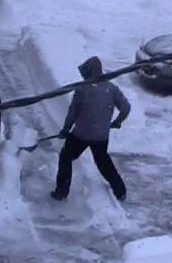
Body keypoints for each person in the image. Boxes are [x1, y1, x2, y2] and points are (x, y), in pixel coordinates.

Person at [52, 56, 131, 201]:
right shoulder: (111, 89)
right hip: (101, 136)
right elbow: (126, 108)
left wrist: (65, 130)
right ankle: (120, 191)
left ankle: (61, 192)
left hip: (81, 134)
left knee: (66, 157)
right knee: (103, 163)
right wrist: (117, 122)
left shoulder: (82, 89)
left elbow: (72, 113)